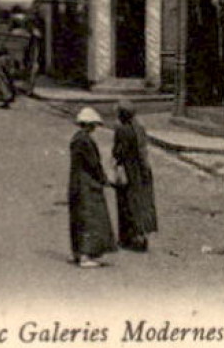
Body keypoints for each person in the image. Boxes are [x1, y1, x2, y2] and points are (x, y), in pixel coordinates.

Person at [67, 107, 116, 268]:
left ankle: (78, 252)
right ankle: (85, 255)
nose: (95, 128)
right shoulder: (86, 141)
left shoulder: (77, 138)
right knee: (90, 219)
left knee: (79, 218)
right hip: (86, 183)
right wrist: (104, 179)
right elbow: (94, 164)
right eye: (93, 125)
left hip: (76, 181)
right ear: (88, 125)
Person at [111, 100, 158, 252]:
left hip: (128, 170)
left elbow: (118, 151)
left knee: (126, 203)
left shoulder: (122, 130)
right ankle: (142, 236)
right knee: (142, 203)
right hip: (141, 171)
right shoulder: (139, 128)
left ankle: (128, 238)